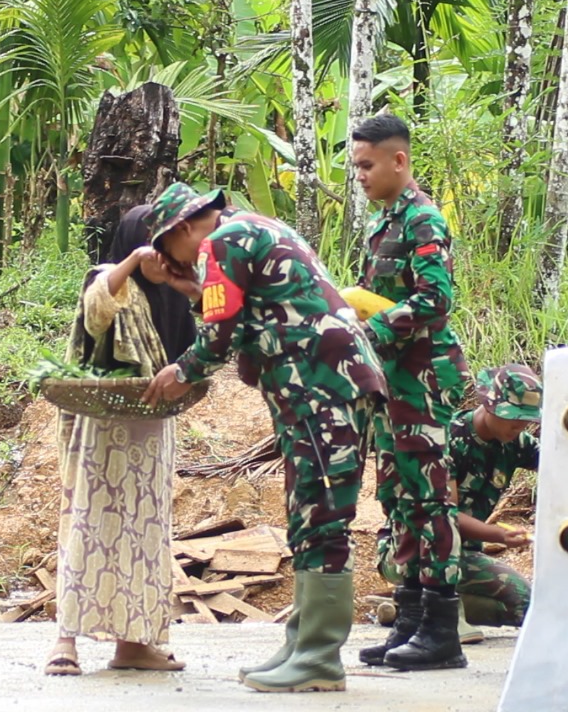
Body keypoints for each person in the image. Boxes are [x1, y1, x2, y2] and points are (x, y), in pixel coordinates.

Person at [141, 182, 386, 694]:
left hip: (323, 384)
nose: (176, 262)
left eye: (169, 250)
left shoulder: (224, 240)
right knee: (307, 513)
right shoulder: (253, 228)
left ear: (183, 228)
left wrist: (182, 372)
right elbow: (252, 315)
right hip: (315, 387)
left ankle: (319, 658)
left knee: (321, 515)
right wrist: (192, 289)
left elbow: (218, 335)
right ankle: (304, 645)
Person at [45, 204, 196, 676]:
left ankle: (134, 644)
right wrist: (131, 263)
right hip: (99, 429)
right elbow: (97, 312)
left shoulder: (175, 291)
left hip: (150, 431)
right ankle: (65, 641)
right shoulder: (110, 276)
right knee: (86, 524)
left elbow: (205, 333)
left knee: (145, 534)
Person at [349, 113, 473, 671]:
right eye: (356, 167)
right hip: (392, 383)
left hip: (423, 381)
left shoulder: (423, 219)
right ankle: (409, 621)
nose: (360, 176)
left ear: (399, 161)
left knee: (431, 501)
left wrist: (370, 328)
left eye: (367, 165)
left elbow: (434, 301)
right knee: (399, 500)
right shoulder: (383, 223)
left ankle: (442, 630)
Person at [375, 364, 541, 643]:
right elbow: (444, 515)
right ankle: (434, 612)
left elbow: (561, 461)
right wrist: (499, 535)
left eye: (526, 419)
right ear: (488, 405)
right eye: (511, 417)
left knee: (526, 604)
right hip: (412, 550)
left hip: (461, 553)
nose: (519, 426)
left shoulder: (516, 442)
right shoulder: (448, 440)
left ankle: (410, 610)